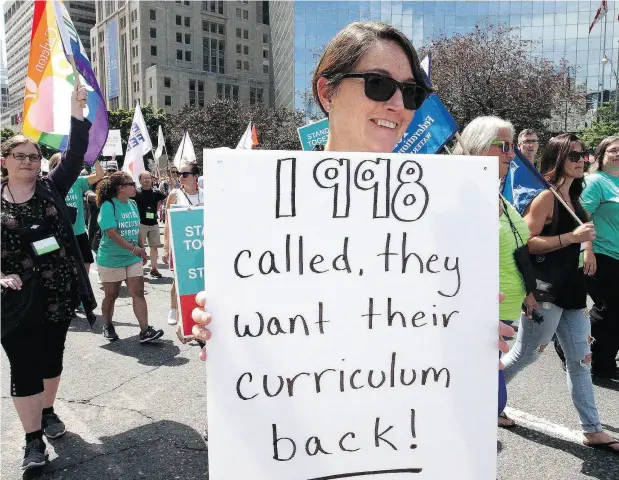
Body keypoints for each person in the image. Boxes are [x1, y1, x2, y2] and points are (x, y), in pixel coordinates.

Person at [190, 21, 514, 375]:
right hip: (289, 412)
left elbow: (429, 313)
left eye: (411, 92)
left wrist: (471, 331)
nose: (397, 104)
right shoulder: (260, 197)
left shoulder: (442, 206)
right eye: (378, 84)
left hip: (400, 409)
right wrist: (209, 321)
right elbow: (205, 311)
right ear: (327, 92)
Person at [501, 133, 619, 454]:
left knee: (581, 360)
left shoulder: (578, 197)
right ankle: (489, 395)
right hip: (544, 290)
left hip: (573, 289)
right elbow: (525, 240)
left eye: (583, 156)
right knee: (526, 354)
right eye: (574, 156)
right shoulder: (546, 197)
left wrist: (587, 245)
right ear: (558, 159)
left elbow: (583, 235)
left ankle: (592, 429)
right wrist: (571, 237)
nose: (582, 161)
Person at [1, 85, 96, 470]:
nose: (28, 161)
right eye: (20, 155)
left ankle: (50, 409)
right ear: (4, 160)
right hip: (15, 298)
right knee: (23, 366)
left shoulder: (51, 188)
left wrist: (77, 114)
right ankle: (32, 441)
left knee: (51, 360)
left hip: (58, 292)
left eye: (34, 156)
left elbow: (75, 154)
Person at [454, 116, 539, 428]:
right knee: (481, 406)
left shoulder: (497, 194)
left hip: (504, 313)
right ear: (477, 148)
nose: (512, 154)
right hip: (478, 318)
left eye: (513, 146)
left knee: (486, 408)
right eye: (504, 146)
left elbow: (517, 247)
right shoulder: (460, 195)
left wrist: (528, 293)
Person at [95, 171, 164, 343]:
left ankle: (145, 331)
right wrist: (134, 249)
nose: (135, 186)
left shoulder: (133, 204)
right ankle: (108, 325)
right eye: (131, 184)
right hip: (111, 258)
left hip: (132, 258)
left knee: (138, 293)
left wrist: (141, 248)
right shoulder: (108, 205)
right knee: (111, 295)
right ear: (121, 188)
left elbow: (136, 227)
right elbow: (111, 233)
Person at [580, 136, 619, 379]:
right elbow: (582, 217)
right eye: (614, 150)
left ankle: (602, 360)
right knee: (608, 308)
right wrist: (588, 250)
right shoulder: (596, 181)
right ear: (602, 155)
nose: (618, 154)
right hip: (601, 254)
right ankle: (587, 356)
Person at [47, 155, 104, 274]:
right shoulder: (48, 183)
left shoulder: (78, 181)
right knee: (59, 265)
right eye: (62, 164)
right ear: (54, 167)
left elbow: (99, 175)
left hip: (79, 231)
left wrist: (94, 156)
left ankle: (83, 289)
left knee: (86, 262)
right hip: (59, 233)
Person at [162, 162, 203, 325]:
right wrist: (166, 247)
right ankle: (174, 309)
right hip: (181, 245)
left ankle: (198, 309)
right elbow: (167, 222)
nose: (181, 177)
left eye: (185, 174)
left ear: (195, 177)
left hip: (201, 245)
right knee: (179, 279)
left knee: (199, 278)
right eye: (180, 173)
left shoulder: (206, 195)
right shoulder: (174, 194)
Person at [134, 171, 167, 278]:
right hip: (141, 224)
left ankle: (154, 269)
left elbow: (165, 199)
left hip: (154, 223)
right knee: (140, 248)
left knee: (154, 247)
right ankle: (139, 270)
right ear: (140, 180)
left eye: (149, 178)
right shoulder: (136, 193)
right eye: (144, 178)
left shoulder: (156, 192)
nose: (147, 180)